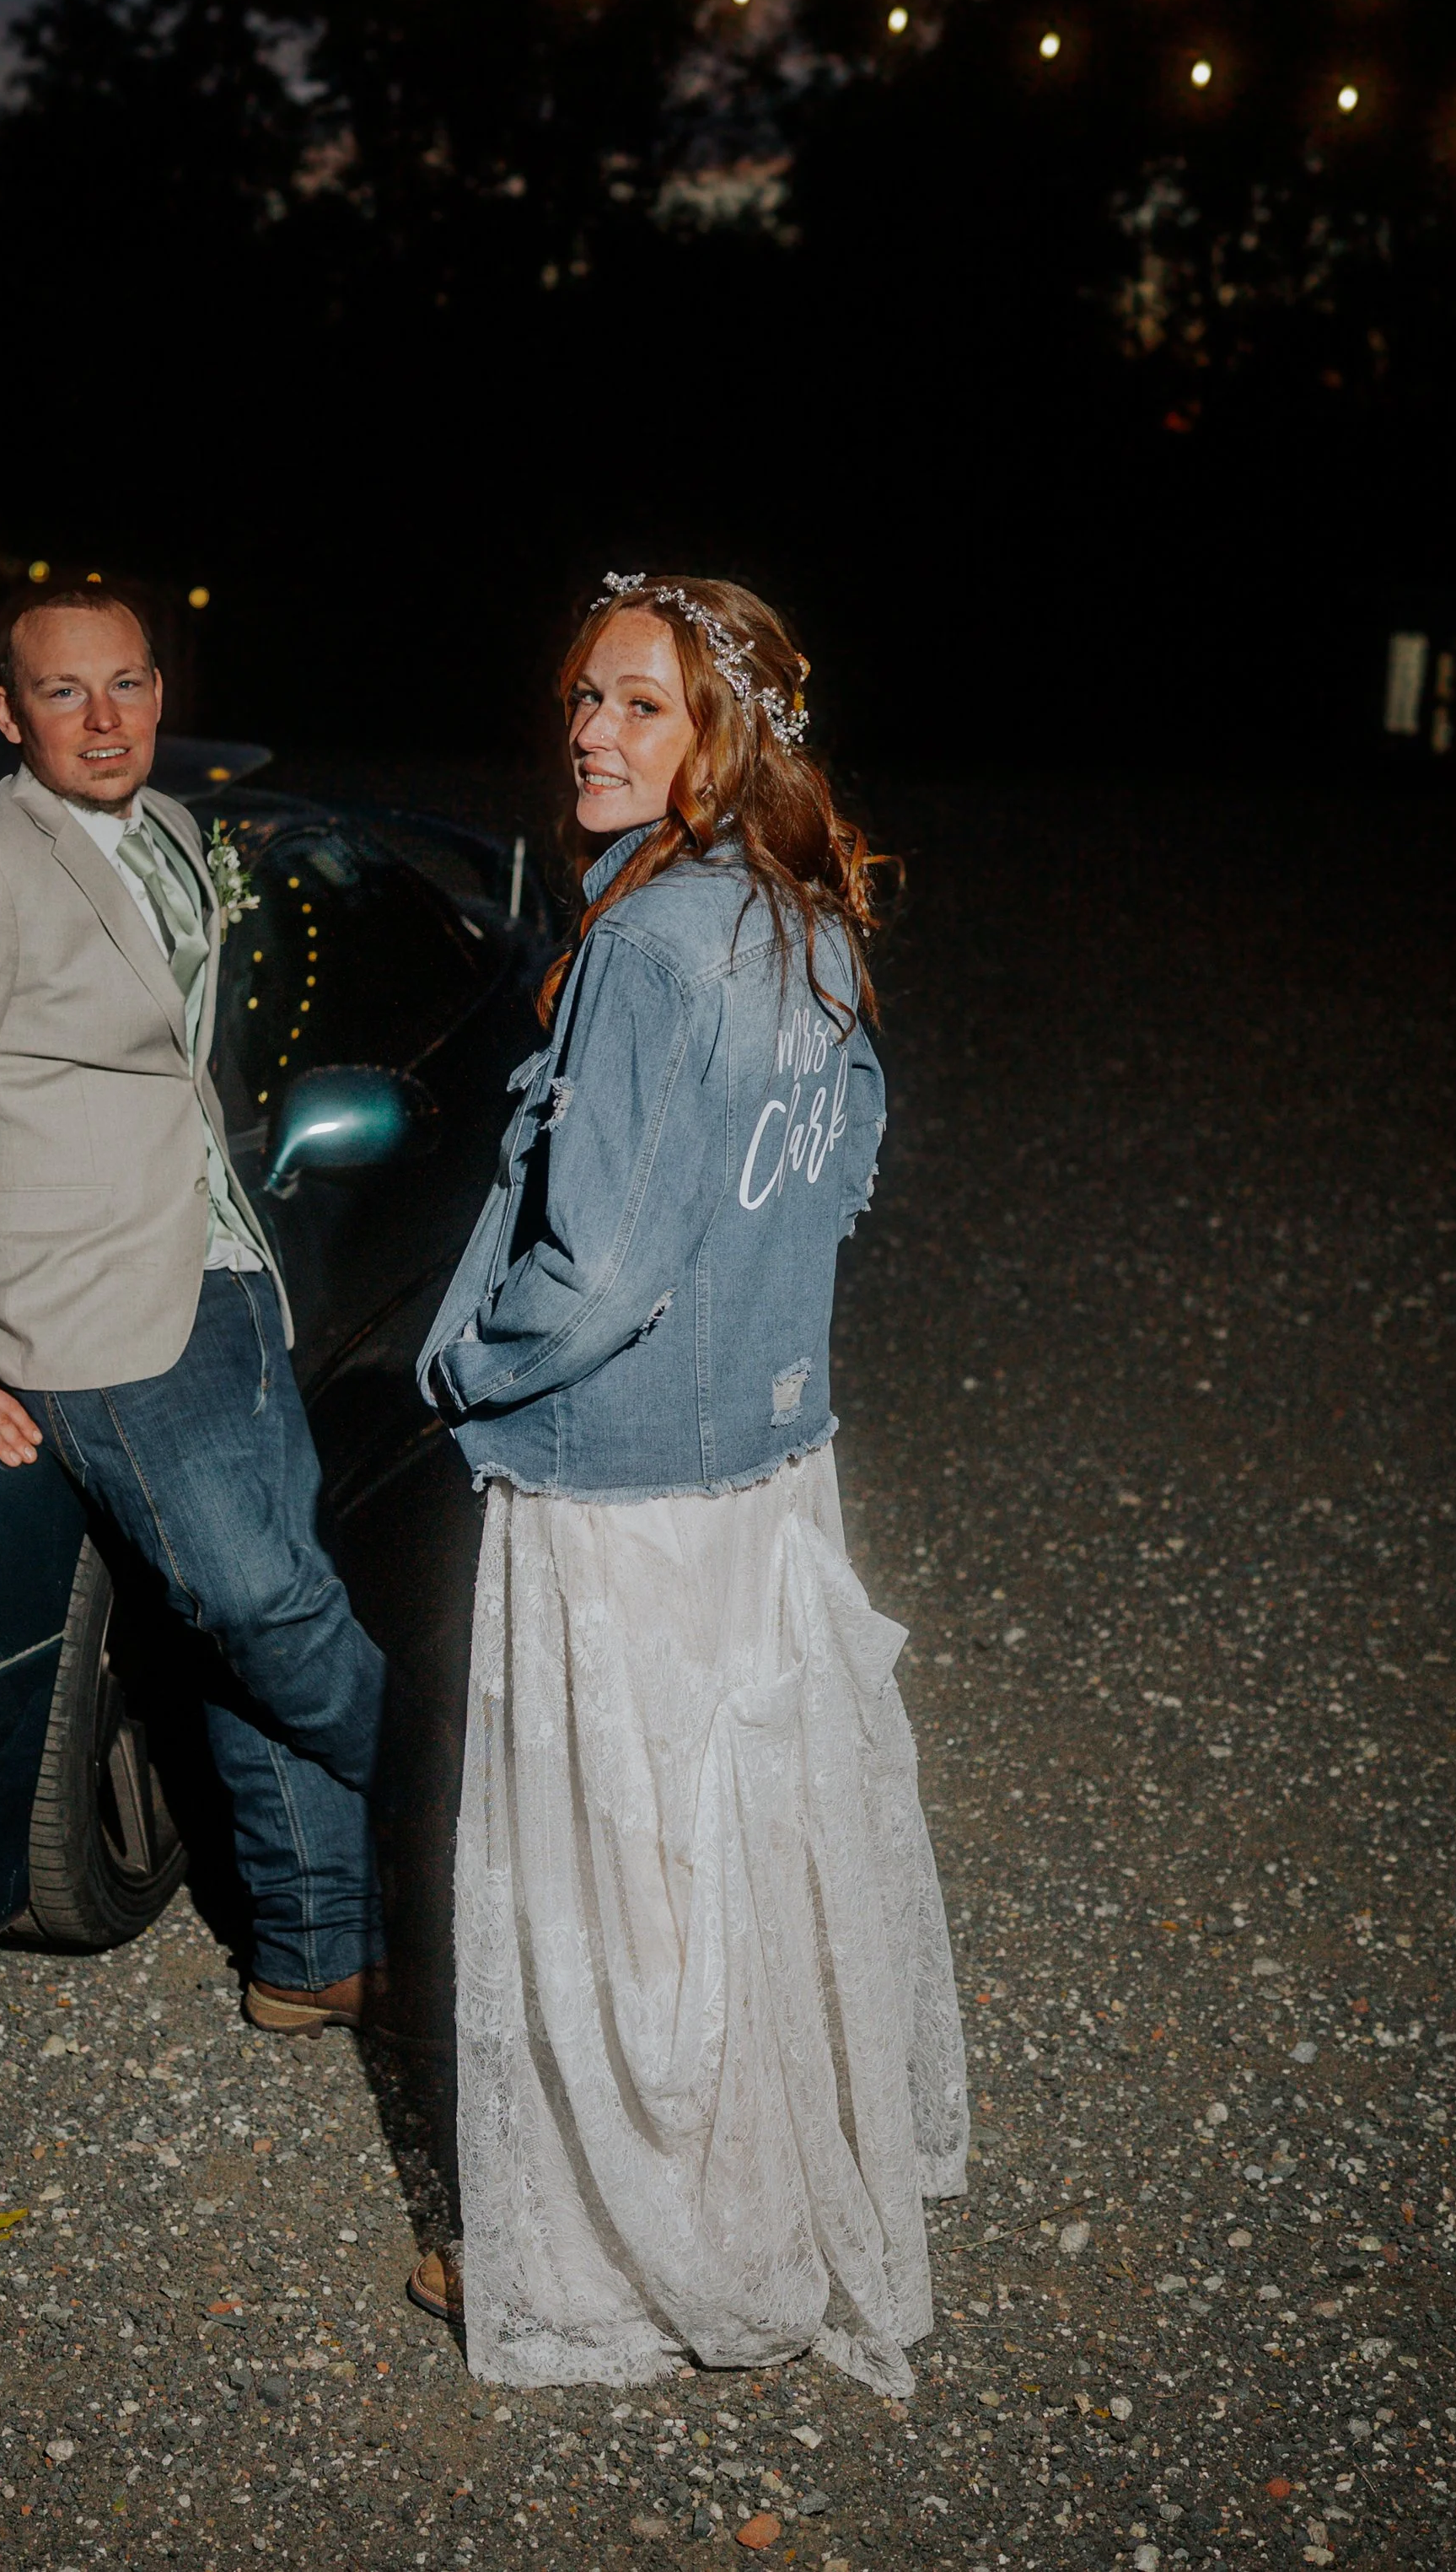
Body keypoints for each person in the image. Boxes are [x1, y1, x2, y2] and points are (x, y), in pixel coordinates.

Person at [411, 573, 969, 2391]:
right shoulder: (798, 916)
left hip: (627, 1480)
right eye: (582, 698)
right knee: (732, 1849)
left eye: (638, 706)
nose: (590, 731)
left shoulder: (648, 946)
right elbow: (848, 1159)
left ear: (720, 735)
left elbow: (598, 1272)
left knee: (617, 1882)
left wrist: (459, 1366)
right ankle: (768, 2207)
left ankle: (620, 2264)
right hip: (767, 1459)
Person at [0, 583, 385, 2035]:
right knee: (258, 1599)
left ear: (160, 691)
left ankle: (315, 1948)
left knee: (252, 1618)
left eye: (128, 685)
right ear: (10, 716)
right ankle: (465, 1785)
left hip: (218, 1265)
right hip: (89, 1301)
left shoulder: (175, 835)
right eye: (65, 694)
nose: (104, 719)